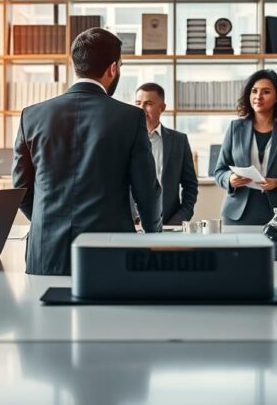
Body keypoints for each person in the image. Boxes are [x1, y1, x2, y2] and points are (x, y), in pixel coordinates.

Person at [13, 28, 162, 275]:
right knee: (109, 314)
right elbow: (146, 190)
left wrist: (48, 221)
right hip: (109, 250)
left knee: (44, 314)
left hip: (46, 250)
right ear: (113, 68)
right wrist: (153, 235)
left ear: (75, 64)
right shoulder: (130, 117)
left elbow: (20, 188)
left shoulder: (32, 115)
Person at [214, 70, 277, 225]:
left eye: (266, 92)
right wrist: (230, 179)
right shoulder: (235, 128)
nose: (258, 96)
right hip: (238, 214)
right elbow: (220, 171)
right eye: (254, 91)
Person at [134, 83, 198, 225]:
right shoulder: (124, 140)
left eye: (148, 104)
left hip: (169, 224)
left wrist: (180, 219)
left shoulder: (179, 141)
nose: (141, 109)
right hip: (132, 225)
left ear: (162, 108)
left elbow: (190, 186)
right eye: (138, 103)